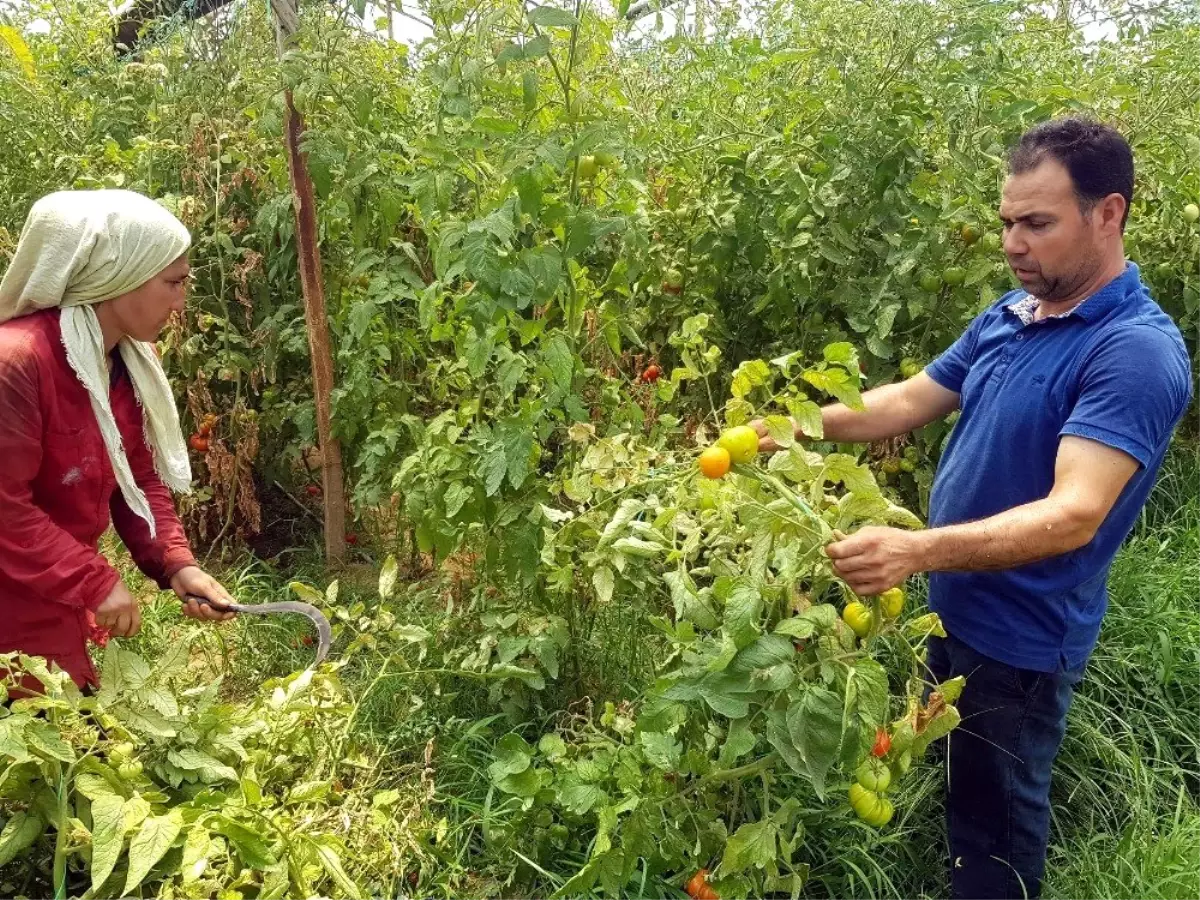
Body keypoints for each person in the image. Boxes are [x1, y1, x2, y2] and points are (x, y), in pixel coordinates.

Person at [753, 118, 1192, 899]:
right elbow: (907, 399)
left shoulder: (1131, 349)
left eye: (1037, 224)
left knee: (997, 826)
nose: (1013, 244)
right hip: (951, 611)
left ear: (1108, 213)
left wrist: (914, 552)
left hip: (1021, 640)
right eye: (1006, 223)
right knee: (959, 791)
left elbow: (1073, 515)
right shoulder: (1013, 315)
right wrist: (790, 430)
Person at [0, 189, 236, 694]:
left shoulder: (121, 360)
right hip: (12, 601)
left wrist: (177, 564)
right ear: (116, 279)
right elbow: (4, 508)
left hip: (56, 591)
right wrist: (94, 580)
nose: (181, 301)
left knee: (79, 746)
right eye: (173, 283)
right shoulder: (18, 362)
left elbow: (136, 476)